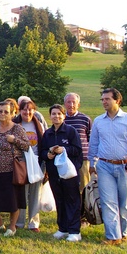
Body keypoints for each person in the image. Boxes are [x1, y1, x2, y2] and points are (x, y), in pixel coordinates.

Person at [89, 88, 127, 245]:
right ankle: (113, 236)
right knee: (108, 201)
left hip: (125, 166)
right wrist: (92, 164)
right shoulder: (99, 121)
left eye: (107, 99)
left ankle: (123, 232)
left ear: (117, 101)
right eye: (102, 99)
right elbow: (93, 144)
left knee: (124, 203)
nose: (104, 102)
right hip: (104, 166)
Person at [39, 104, 83, 242]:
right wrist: (49, 154)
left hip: (69, 173)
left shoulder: (70, 131)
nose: (56, 116)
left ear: (64, 116)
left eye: (59, 114)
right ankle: (62, 228)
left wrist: (64, 149)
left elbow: (77, 150)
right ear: (50, 116)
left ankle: (74, 231)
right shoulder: (47, 133)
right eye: (53, 114)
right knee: (60, 200)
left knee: (72, 200)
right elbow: (42, 152)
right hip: (54, 173)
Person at [0, 100, 30, 237]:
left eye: (6, 111)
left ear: (12, 113)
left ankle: (12, 227)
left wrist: (14, 140)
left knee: (13, 200)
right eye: (0, 111)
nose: (3, 114)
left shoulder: (17, 128)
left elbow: (27, 146)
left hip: (11, 171)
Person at [13, 98, 47, 232]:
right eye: (24, 109)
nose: (27, 112)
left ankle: (33, 223)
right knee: (21, 192)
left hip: (37, 162)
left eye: (30, 109)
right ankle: (19, 221)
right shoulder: (15, 124)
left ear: (34, 110)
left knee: (35, 193)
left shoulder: (38, 124)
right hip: (21, 163)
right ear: (20, 110)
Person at [64, 92, 93, 194]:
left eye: (74, 102)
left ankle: (83, 209)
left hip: (83, 159)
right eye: (68, 102)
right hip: (65, 159)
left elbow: (91, 139)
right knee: (68, 187)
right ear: (64, 104)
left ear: (78, 105)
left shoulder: (85, 119)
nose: (71, 105)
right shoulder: (61, 119)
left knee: (84, 186)